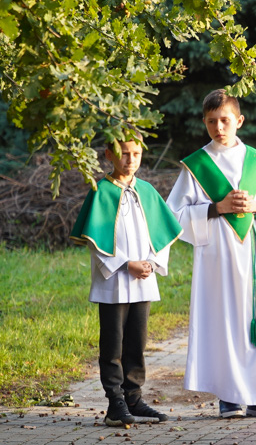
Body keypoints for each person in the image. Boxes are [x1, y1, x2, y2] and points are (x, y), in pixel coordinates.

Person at [167, 89, 256, 419]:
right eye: (211, 121)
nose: (219, 127)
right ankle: (230, 396)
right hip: (216, 259)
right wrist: (213, 208)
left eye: (225, 120)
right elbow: (172, 215)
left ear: (239, 121)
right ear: (204, 123)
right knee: (223, 323)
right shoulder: (196, 165)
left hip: (253, 255)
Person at [71, 140, 183, 427]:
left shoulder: (146, 191)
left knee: (137, 341)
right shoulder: (101, 192)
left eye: (136, 153)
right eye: (123, 153)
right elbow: (96, 241)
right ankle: (115, 403)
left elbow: (161, 232)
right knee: (113, 345)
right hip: (115, 281)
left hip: (144, 280)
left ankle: (133, 397)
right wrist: (125, 263)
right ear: (109, 155)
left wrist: (150, 263)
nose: (130, 159)